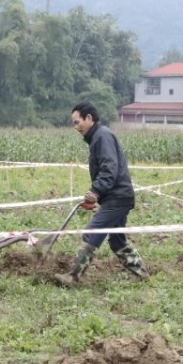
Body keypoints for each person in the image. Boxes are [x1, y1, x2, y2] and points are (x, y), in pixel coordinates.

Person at [54, 101, 150, 286]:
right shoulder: (98, 136)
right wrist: (97, 194)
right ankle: (141, 274)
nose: (76, 127)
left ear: (89, 118)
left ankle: (74, 276)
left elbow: (109, 168)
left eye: (77, 122)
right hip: (118, 196)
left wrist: (96, 191)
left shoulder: (102, 136)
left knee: (93, 231)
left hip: (118, 197)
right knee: (117, 241)